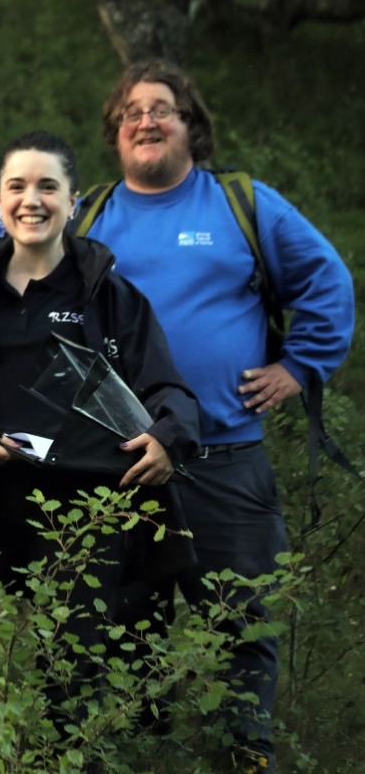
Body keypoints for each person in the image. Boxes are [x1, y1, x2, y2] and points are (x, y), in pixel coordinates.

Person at [0, 130, 199, 771]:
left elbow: (168, 389)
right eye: (17, 187)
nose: (32, 200)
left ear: (74, 199)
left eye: (47, 186)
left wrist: (168, 438)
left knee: (78, 670)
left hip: (83, 515)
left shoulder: (112, 298)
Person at [77, 62, 354, 770]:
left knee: (240, 623)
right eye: (132, 111)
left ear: (191, 127)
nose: (146, 121)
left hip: (224, 460)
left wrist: (300, 366)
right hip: (120, 462)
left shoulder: (240, 205)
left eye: (162, 109)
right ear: (115, 132)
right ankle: (141, 753)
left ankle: (245, 754)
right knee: (121, 625)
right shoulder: (89, 213)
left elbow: (328, 281)